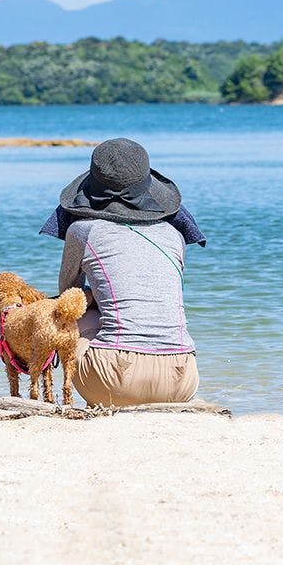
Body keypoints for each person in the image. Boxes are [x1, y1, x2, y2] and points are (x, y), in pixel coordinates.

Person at [55, 138, 200, 406]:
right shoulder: (174, 234)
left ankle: (97, 398)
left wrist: (90, 297)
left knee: (73, 313)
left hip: (116, 378)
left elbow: (68, 297)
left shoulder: (83, 230)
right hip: (183, 378)